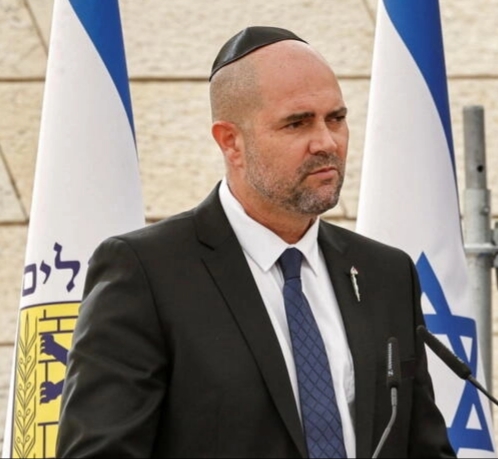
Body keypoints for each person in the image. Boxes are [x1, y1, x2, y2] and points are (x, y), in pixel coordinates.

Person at [55, 26, 456, 458]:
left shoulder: (386, 273)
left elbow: (423, 447)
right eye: (297, 123)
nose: (327, 142)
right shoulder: (146, 272)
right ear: (231, 142)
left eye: (336, 118)